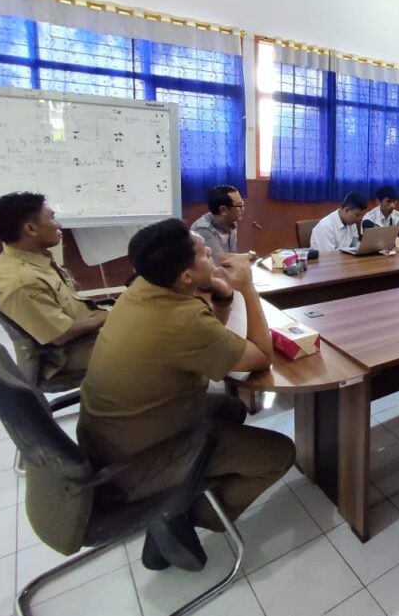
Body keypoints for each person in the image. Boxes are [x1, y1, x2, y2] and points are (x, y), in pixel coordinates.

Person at [77, 219, 294, 552]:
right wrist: (248, 289)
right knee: (280, 452)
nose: (214, 257)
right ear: (186, 277)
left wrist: (223, 297)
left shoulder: (142, 288)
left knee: (232, 407)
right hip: (133, 462)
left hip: (110, 436)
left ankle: (196, 485)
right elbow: (262, 357)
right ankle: (185, 516)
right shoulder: (181, 319)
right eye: (205, 254)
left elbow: (205, 342)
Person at [0, 192, 108, 379]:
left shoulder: (30, 259)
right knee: (152, 342)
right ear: (31, 228)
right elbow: (62, 334)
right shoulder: (23, 281)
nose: (59, 225)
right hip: (69, 354)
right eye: (52, 218)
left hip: (86, 333)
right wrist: (109, 316)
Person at [189, 185, 247, 262]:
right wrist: (250, 256)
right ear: (223, 210)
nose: (243, 209)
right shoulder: (203, 229)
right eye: (239, 205)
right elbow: (220, 259)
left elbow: (232, 255)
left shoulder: (232, 222)